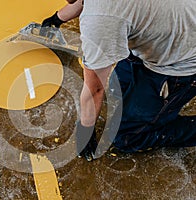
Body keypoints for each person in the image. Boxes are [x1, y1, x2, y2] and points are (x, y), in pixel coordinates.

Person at [41, 0, 196, 161]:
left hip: (182, 62)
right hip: (170, 31)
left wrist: (85, 130)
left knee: (126, 137)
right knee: (116, 92)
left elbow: (95, 90)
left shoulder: (99, 20)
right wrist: (56, 20)